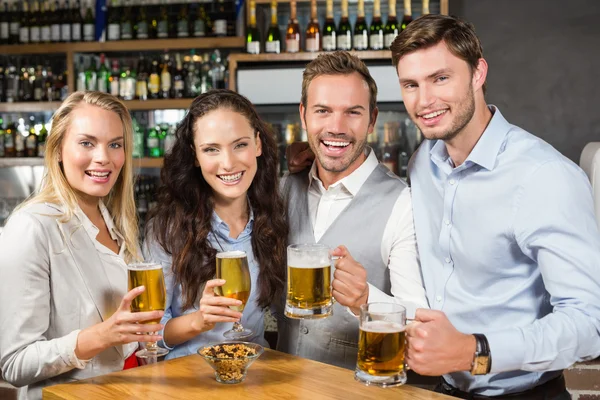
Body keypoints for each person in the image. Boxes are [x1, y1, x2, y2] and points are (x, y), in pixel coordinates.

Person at [391, 14, 600, 399]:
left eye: (441, 78)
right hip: (443, 389)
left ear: (477, 73)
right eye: (411, 85)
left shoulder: (544, 176)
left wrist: (476, 351)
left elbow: (589, 324)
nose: (424, 102)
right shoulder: (423, 162)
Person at [0, 91, 164, 400]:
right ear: (59, 150)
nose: (103, 157)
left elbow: (133, 340)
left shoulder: (119, 224)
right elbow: (14, 363)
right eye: (87, 143)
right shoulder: (32, 226)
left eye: (115, 144)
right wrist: (101, 336)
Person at [275, 51, 428, 370]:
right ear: (304, 116)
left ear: (372, 120)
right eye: (323, 111)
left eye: (352, 113)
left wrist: (366, 300)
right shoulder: (282, 191)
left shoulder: (404, 204)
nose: (336, 127)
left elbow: (418, 331)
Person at [143, 89, 287, 359]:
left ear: (258, 144)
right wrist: (199, 320)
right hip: (189, 383)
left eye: (240, 145)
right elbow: (147, 339)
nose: (228, 163)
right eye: (211, 149)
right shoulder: (167, 229)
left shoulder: (272, 217)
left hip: (254, 379)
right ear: (195, 156)